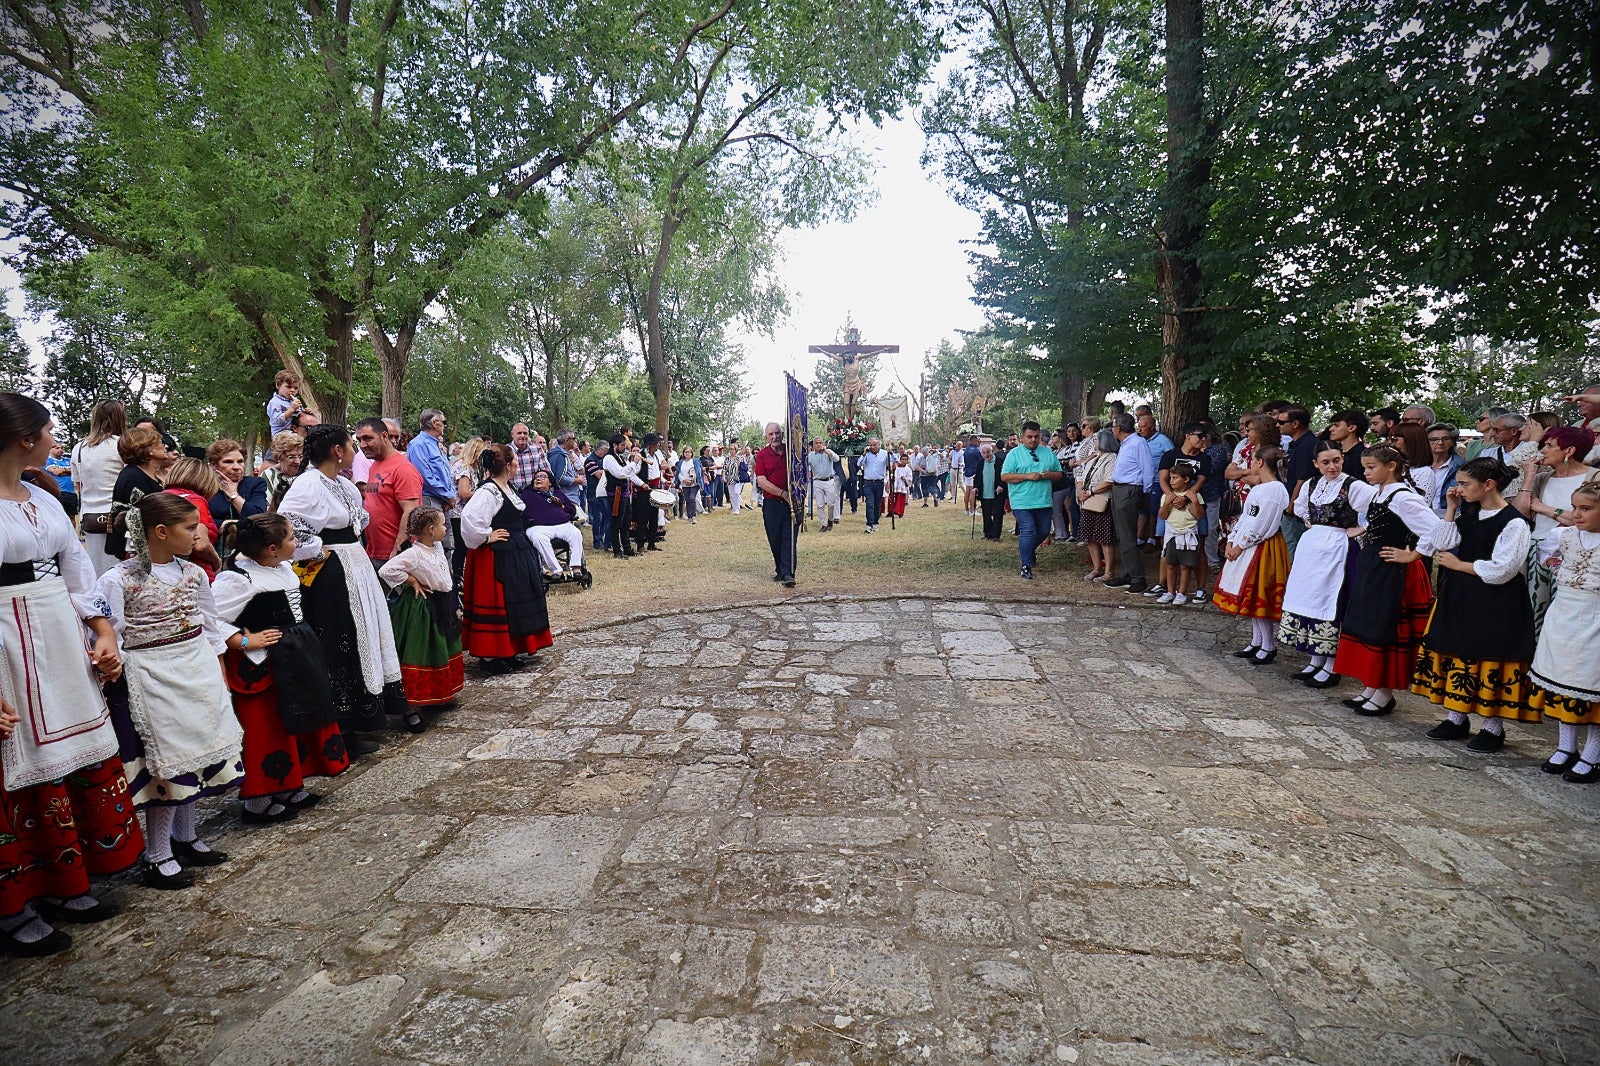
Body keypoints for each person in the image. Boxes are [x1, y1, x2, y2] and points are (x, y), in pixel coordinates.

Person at [0, 394, 141, 957]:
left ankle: (69, 880)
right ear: (24, 439)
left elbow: (78, 572)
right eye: (50, 432)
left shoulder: (42, 499)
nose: (58, 442)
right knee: (19, 755)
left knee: (74, 744)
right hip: (6, 641)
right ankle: (17, 902)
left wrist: (102, 633)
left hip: (57, 633)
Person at [98, 492, 246, 890]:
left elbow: (210, 624)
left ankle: (186, 836)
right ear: (160, 532)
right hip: (152, 672)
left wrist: (217, 669)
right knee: (168, 761)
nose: (198, 534)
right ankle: (157, 852)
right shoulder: (118, 579)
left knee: (198, 748)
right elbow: (110, 632)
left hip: (194, 664)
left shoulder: (194, 574)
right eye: (189, 527)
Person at [277, 425, 406, 755]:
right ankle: (340, 727)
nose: (355, 449)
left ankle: (361, 720)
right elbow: (286, 523)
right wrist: (314, 549)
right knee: (340, 640)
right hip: (331, 574)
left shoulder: (343, 484)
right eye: (351, 443)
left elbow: (356, 523)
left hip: (355, 565)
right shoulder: (307, 485)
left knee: (364, 633)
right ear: (337, 450)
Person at [212, 513, 347, 823]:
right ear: (272, 548)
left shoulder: (282, 567)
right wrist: (244, 641)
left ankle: (288, 785)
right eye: (290, 539)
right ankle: (258, 800)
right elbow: (211, 619)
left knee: (298, 716)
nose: (295, 543)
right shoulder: (238, 579)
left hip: (296, 656)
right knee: (267, 726)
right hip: (264, 666)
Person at [1413, 457, 1538, 753]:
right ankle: (1456, 718)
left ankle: (1493, 727)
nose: (1459, 488)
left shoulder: (1514, 522)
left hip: (1496, 599)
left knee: (1490, 655)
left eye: (1465, 484)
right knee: (1458, 650)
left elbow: (1504, 569)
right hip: (1462, 594)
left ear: (1489, 485)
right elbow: (1442, 543)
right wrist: (1452, 509)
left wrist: (1460, 565)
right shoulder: (1469, 512)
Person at [1333, 444, 1440, 716]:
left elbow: (1436, 530)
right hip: (1374, 564)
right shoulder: (1382, 493)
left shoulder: (1404, 497)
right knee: (1368, 622)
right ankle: (1371, 685)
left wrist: (1414, 554)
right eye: (1365, 467)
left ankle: (1384, 692)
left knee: (1385, 626)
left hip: (1392, 569)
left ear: (1391, 466)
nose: (1366, 473)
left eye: (1371, 467)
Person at [1528, 481, 1600, 782]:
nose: (1577, 514)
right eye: (1574, 507)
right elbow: (1546, 553)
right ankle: (1566, 747)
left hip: (1595, 617)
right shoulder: (1564, 535)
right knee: (1562, 681)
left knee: (1592, 685)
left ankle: (1593, 753)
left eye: (1586, 508)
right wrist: (1556, 565)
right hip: (1564, 614)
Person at [459, 444, 554, 672]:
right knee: (501, 601)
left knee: (515, 601)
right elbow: (469, 520)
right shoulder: (488, 492)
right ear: (510, 465)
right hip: (496, 558)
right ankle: (491, 657)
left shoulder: (507, 487)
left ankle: (509, 650)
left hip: (515, 552)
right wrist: (486, 537)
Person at [1278, 443, 1365, 689]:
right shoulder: (1311, 484)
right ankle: (1315, 659)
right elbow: (1302, 508)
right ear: (1316, 463)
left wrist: (1359, 529)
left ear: (1343, 459)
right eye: (1326, 462)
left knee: (1331, 602)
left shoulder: (1354, 486)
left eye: (1336, 460)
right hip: (1313, 548)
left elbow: (1374, 511)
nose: (1332, 466)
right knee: (1310, 599)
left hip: (1338, 549)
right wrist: (1311, 525)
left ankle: (1331, 665)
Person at [378, 507, 465, 729]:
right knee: (419, 653)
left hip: (441, 604)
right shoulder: (414, 553)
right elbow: (386, 570)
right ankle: (410, 708)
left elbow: (445, 579)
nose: (446, 528)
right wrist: (410, 579)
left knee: (440, 650)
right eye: (443, 525)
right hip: (422, 609)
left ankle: (436, 696)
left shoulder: (436, 547)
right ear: (431, 529)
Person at [1512, 426, 1599, 634]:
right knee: (1535, 608)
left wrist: (1543, 508)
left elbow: (1581, 519)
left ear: (1569, 451)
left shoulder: (1594, 478)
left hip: (1578, 554)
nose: (1543, 450)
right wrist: (1529, 477)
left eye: (1550, 446)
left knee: (1565, 608)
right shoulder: (1543, 478)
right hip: (1537, 550)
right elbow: (1520, 512)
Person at [1215, 446, 1292, 663]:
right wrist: (1232, 539)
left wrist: (1241, 545)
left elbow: (1262, 523)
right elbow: (1246, 518)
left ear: (1259, 462)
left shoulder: (1275, 490)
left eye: (1252, 461)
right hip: (1247, 545)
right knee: (1250, 597)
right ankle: (1257, 641)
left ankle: (1268, 645)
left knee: (1260, 596)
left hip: (1263, 547)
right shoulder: (1260, 488)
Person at [999, 421, 1062, 581]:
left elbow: (1059, 473)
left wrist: (1050, 475)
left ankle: (1028, 550)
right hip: (1022, 501)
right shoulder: (1014, 454)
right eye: (1029, 437)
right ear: (1022, 437)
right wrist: (1027, 476)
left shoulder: (1047, 452)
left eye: (1036, 437)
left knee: (1043, 531)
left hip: (1043, 501)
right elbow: (1005, 476)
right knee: (1028, 529)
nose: (1033, 440)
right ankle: (1026, 565)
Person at [72, 399, 128, 576]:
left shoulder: (79, 448)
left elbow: (77, 484)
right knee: (121, 571)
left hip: (91, 517)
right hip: (119, 516)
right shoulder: (122, 445)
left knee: (99, 570)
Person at [355, 417, 422, 563]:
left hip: (393, 555)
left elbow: (411, 511)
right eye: (359, 439)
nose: (362, 445)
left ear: (384, 436)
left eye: (368, 438)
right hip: (374, 552)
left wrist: (398, 550)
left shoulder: (403, 468)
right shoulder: (375, 465)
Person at [106, 425, 173, 562]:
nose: (165, 446)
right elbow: (136, 520)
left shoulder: (145, 475)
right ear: (148, 450)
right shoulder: (134, 478)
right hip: (136, 552)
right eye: (160, 443)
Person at [1105, 414, 1154, 592]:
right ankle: (1127, 573)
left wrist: (1144, 492)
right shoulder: (1126, 444)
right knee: (1122, 535)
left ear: (1119, 428)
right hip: (1119, 489)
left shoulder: (1138, 443)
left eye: (1113, 426)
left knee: (1128, 535)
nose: (1112, 429)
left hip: (1129, 489)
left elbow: (1148, 469)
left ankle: (1137, 577)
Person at [406, 409, 456, 552]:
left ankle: (446, 573)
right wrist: (447, 496)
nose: (445, 426)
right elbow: (425, 476)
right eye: (444, 422)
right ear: (435, 423)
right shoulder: (418, 445)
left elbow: (445, 474)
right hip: (430, 499)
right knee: (433, 542)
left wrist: (449, 496)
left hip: (442, 499)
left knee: (445, 542)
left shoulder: (435, 444)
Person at [754, 422, 797, 586]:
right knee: (775, 538)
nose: (775, 437)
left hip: (791, 503)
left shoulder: (791, 452)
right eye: (771, 434)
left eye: (777, 433)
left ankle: (788, 573)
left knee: (789, 537)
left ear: (782, 434)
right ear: (766, 437)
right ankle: (780, 569)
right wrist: (781, 493)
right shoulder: (762, 455)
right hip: (772, 503)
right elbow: (761, 481)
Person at [1075, 429, 1119, 580]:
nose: (1093, 442)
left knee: (1104, 539)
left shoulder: (1111, 458)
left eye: (1095, 440)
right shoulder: (1093, 458)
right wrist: (1080, 490)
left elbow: (1109, 480)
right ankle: (1096, 568)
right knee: (1090, 537)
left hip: (1101, 502)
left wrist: (1091, 491)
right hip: (1087, 502)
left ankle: (1108, 571)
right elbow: (1081, 476)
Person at [525, 469, 586, 578]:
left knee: (576, 533)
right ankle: (556, 570)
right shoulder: (527, 495)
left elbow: (572, 510)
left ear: (550, 482)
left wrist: (562, 506)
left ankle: (576, 567)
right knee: (538, 537)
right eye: (536, 477)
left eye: (543, 476)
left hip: (562, 524)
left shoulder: (557, 493)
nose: (538, 478)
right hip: (539, 527)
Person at [1156, 465, 1202, 605]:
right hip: (1172, 534)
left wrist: (1193, 501)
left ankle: (1182, 592)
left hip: (1188, 533)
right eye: (1170, 478)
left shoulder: (1195, 495)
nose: (1171, 481)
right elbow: (1163, 516)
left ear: (1186, 479)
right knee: (1170, 564)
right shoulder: (1167, 496)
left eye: (1175, 478)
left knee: (1185, 566)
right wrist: (1167, 504)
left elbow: (1199, 515)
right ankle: (1170, 591)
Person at [1278, 406, 1317, 559]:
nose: (1277, 425)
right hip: (1294, 508)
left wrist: (1290, 508)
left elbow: (1302, 480)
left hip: (1298, 511)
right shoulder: (1296, 444)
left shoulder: (1307, 445)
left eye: (1281, 422)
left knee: (1295, 552)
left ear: (1295, 424)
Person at [602, 435, 645, 559]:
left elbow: (631, 472)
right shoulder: (609, 458)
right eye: (622, 445)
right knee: (617, 523)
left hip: (625, 495)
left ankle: (627, 548)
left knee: (626, 523)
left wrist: (637, 462)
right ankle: (617, 550)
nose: (624, 447)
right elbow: (620, 473)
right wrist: (633, 462)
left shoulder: (620, 458)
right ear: (614, 445)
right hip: (615, 495)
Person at [207, 439, 269, 526]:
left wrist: (233, 494)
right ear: (214, 465)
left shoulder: (255, 484)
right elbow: (202, 521)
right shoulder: (206, 487)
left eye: (240, 461)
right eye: (228, 462)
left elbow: (259, 518)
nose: (236, 467)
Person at [1425, 423, 1465, 514]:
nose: (1440, 443)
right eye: (1434, 439)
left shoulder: (1462, 468)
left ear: (1452, 442)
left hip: (1449, 516)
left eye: (1445, 439)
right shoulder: (1416, 466)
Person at [262, 431, 304, 510]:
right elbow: (266, 510)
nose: (298, 461)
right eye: (291, 457)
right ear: (279, 457)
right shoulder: (269, 476)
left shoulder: (308, 473)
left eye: (300, 456)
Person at [975, 442, 1007, 541]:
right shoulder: (981, 463)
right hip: (985, 493)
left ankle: (996, 535)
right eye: (983, 453)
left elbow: (1005, 476)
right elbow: (977, 477)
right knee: (986, 514)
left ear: (992, 451)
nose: (986, 455)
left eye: (988, 452)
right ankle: (987, 533)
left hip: (997, 493)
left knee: (998, 514)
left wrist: (1001, 485)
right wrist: (975, 487)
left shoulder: (1000, 461)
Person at [808, 438, 841, 531]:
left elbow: (836, 459)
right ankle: (823, 524)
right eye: (816, 443)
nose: (819, 445)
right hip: (817, 481)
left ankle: (830, 519)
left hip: (829, 480)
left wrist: (826, 451)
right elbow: (804, 464)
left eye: (820, 443)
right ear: (813, 446)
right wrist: (808, 471)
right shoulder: (810, 456)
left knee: (831, 504)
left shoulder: (828, 452)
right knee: (820, 504)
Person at [584, 439, 612, 549]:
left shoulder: (603, 460)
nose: (606, 453)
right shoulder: (590, 460)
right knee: (597, 518)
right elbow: (599, 475)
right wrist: (605, 472)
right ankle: (597, 540)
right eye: (605, 450)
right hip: (593, 493)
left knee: (605, 517)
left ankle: (603, 538)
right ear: (599, 449)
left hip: (603, 492)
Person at [859, 437, 888, 533]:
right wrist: (864, 454)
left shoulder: (884, 453)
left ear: (879, 445)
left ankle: (876, 522)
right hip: (868, 482)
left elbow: (894, 460)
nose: (872, 447)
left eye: (874, 445)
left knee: (877, 504)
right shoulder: (867, 454)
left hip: (879, 482)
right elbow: (859, 463)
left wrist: (891, 452)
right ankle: (869, 524)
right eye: (871, 445)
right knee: (869, 503)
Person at [1325, 409, 1367, 478]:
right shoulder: (1338, 454)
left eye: (1336, 425)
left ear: (1352, 428)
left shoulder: (1363, 456)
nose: (1331, 429)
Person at [44, 440, 77, 519]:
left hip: (71, 492)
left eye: (62, 448)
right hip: (57, 492)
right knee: (58, 516)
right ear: (50, 449)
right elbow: (56, 472)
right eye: (57, 448)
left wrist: (63, 470)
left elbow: (77, 470)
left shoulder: (68, 460)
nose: (60, 450)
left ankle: (72, 531)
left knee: (71, 516)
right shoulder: (47, 461)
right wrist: (69, 471)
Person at [266, 371, 305, 438]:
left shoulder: (294, 401)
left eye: (296, 388)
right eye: (288, 387)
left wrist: (305, 412)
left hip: (295, 432)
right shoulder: (274, 402)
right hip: (280, 435)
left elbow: (299, 416)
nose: (292, 390)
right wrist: (292, 409)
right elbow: (278, 420)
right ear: (278, 385)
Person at [673, 445, 702, 523]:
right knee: (687, 500)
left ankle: (694, 516)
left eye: (689, 452)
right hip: (684, 484)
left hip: (694, 484)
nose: (687, 453)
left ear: (692, 453)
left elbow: (698, 472)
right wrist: (684, 480)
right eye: (685, 452)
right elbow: (678, 473)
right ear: (683, 453)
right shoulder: (680, 462)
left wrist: (692, 480)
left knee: (692, 498)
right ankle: (689, 516)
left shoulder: (695, 461)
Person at [962, 433, 982, 515]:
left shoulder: (966, 449)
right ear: (974, 441)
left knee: (967, 491)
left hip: (967, 472)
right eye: (978, 441)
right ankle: (972, 511)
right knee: (972, 492)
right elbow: (981, 461)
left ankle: (966, 509)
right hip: (973, 473)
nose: (979, 443)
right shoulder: (976, 450)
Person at [890, 450, 914, 518]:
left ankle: (900, 512)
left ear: (907, 461)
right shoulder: (897, 468)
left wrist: (905, 479)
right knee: (896, 499)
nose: (904, 461)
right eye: (902, 459)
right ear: (900, 460)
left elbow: (910, 479)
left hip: (903, 486)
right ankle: (895, 510)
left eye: (905, 459)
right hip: (896, 486)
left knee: (902, 500)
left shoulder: (908, 469)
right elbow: (894, 475)